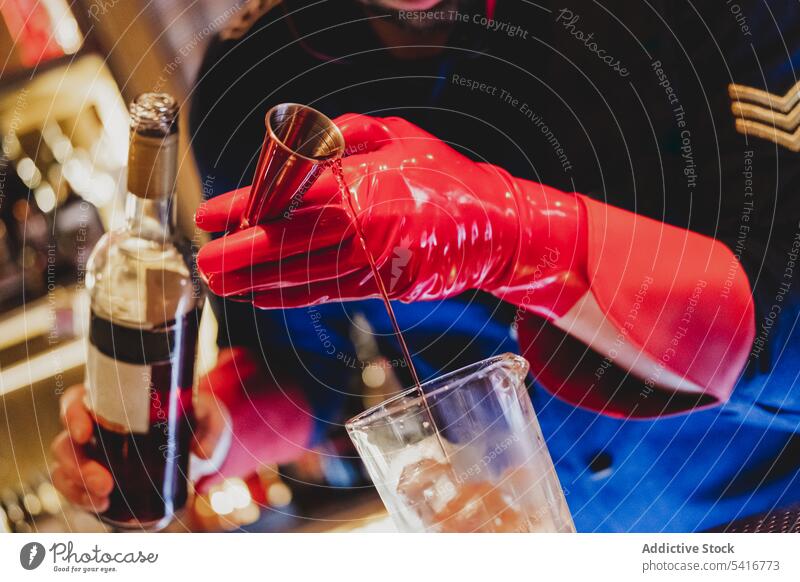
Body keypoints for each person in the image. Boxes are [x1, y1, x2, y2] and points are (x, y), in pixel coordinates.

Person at [53, 0, 800, 532]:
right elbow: (303, 374)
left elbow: (784, 322)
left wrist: (515, 235)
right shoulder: (253, 74)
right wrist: (203, 436)